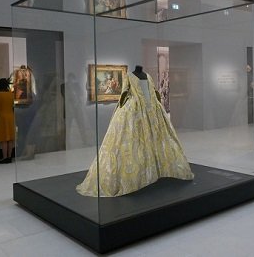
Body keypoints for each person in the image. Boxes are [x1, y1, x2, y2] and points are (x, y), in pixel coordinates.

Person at [76, 65, 194, 197]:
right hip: (135, 111)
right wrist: (122, 108)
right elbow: (125, 93)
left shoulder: (148, 76)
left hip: (152, 110)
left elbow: (152, 92)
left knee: (156, 142)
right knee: (133, 143)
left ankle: (156, 170)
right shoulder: (130, 76)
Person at [0, 78, 15, 164]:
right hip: (10, 116)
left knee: (4, 138)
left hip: (1, 117)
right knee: (10, 138)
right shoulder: (11, 94)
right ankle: (10, 156)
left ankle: (4, 157)